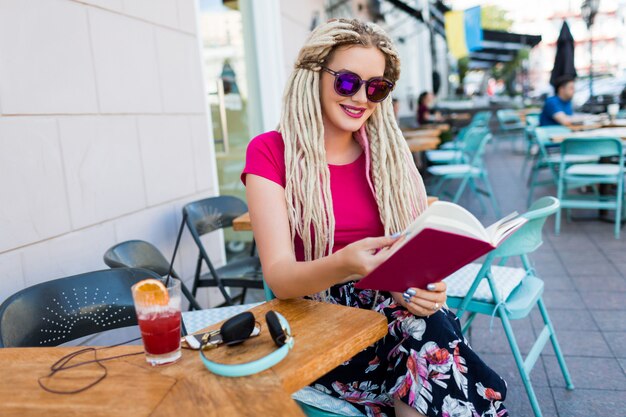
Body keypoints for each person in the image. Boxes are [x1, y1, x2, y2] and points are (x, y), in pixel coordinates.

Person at [241, 18, 508, 417]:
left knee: (426, 330)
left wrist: (423, 287)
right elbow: (279, 276)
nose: (362, 97)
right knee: (430, 346)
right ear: (313, 75)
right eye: (347, 82)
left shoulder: (387, 158)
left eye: (376, 87)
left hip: (392, 315)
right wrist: (346, 263)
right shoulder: (269, 152)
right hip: (319, 322)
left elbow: (408, 255)